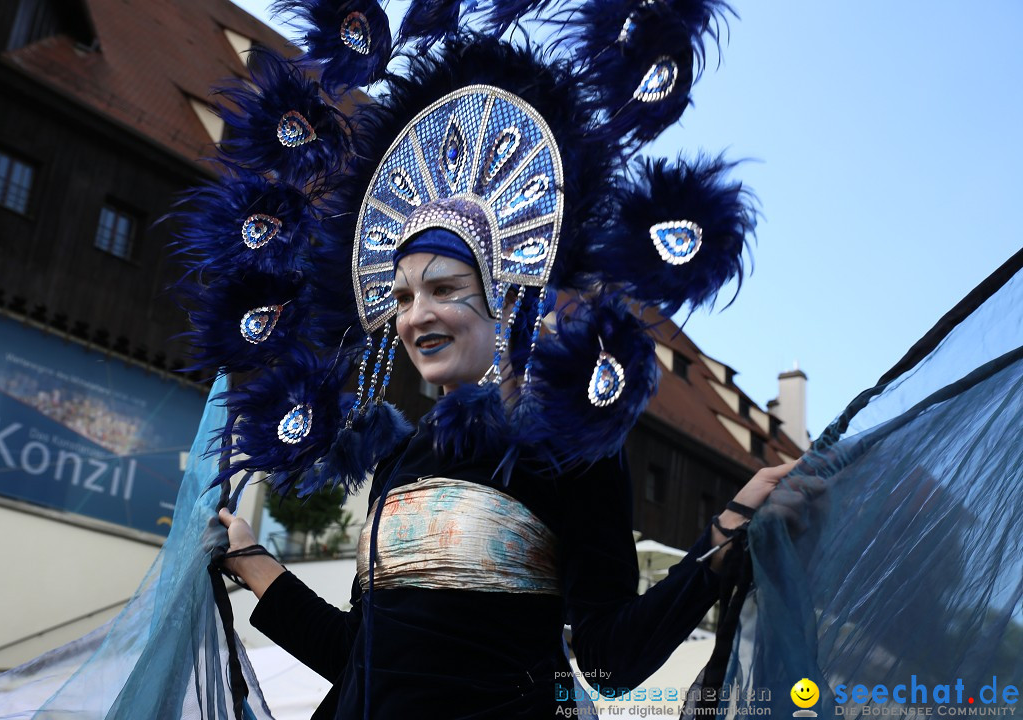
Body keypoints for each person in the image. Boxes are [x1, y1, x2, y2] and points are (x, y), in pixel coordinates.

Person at [216, 227, 796, 718]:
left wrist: (722, 537)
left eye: (444, 289)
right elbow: (362, 657)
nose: (417, 315)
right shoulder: (399, 458)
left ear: (506, 300)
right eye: (402, 296)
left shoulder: (571, 447)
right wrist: (253, 561)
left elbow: (608, 662)